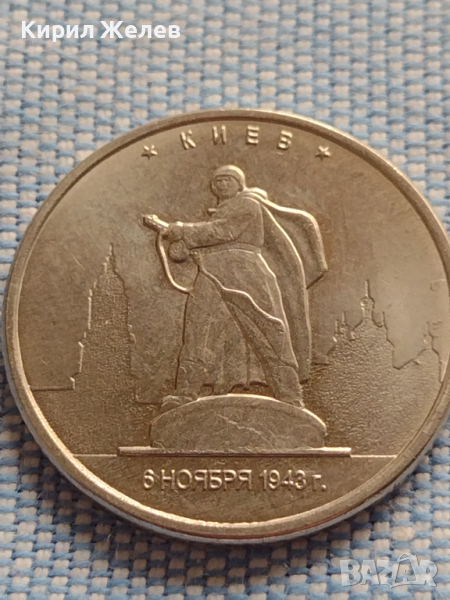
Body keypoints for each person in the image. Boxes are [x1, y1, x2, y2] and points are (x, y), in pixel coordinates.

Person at [145, 165, 327, 413]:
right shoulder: (220, 212)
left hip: (247, 273)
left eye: (227, 180)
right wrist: (183, 245)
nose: (221, 184)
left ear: (239, 184)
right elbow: (211, 237)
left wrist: (181, 230)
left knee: (268, 329)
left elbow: (224, 231)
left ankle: (290, 395)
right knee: (198, 329)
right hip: (211, 272)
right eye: (217, 181)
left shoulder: (248, 204)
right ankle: (185, 392)